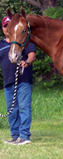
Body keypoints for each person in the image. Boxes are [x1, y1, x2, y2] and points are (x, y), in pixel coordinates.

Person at [0, 16, 36, 145]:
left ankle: (24, 136)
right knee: (12, 109)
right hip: (8, 82)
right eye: (5, 26)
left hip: (23, 80)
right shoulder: (1, 44)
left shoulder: (22, 39)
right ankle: (15, 135)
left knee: (23, 107)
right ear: (4, 28)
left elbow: (32, 55)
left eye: (9, 25)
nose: (7, 28)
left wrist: (26, 62)